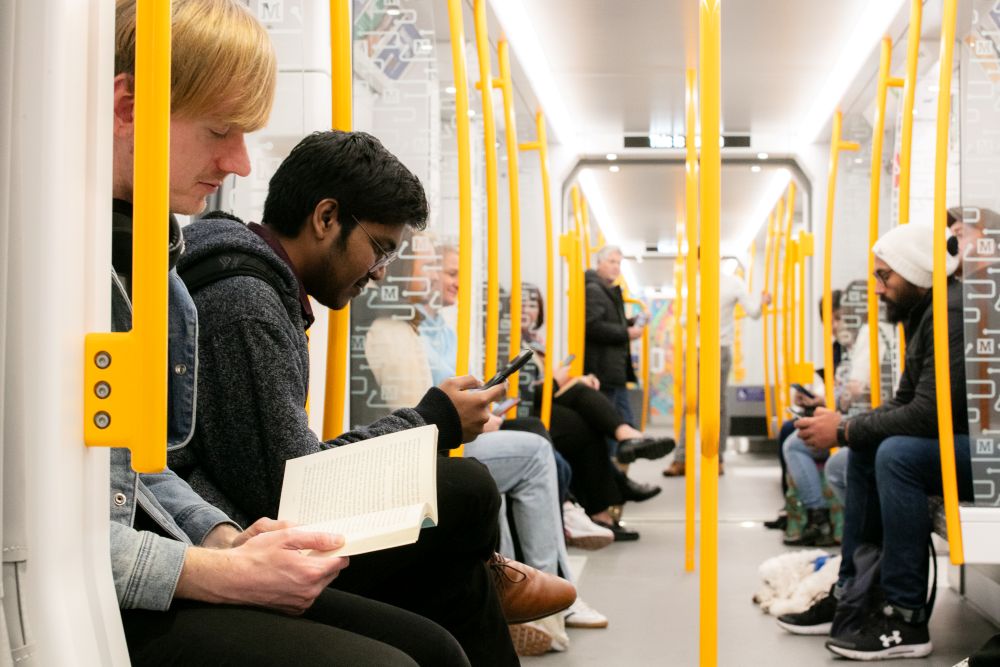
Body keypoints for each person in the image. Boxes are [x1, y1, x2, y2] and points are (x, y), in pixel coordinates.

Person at [109, 2, 469, 665]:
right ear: (127, 106)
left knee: (439, 636)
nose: (241, 163)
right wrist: (217, 565)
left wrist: (217, 538)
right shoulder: (237, 298)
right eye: (222, 129)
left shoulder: (156, 265)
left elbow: (136, 470)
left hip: (179, 541)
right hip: (114, 584)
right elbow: (286, 481)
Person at [173, 130, 574, 666]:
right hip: (241, 538)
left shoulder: (260, 291)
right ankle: (480, 571)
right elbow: (288, 488)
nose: (380, 271)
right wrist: (433, 419)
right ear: (326, 218)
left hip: (247, 515)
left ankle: (477, 572)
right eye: (380, 248)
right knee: (467, 493)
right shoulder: (246, 305)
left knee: (458, 555)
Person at [362, 234, 593, 654]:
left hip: (430, 441)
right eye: (433, 268)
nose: (442, 279)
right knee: (527, 456)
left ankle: (536, 580)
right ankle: (540, 592)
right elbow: (415, 424)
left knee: (527, 447)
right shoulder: (390, 333)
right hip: (415, 451)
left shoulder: (418, 327)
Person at [781, 223, 970, 661]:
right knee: (867, 448)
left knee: (897, 455)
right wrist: (848, 426)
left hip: (984, 453)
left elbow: (928, 413)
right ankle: (855, 594)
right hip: (960, 442)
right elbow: (907, 400)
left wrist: (843, 429)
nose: (880, 288)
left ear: (917, 272)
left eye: (886, 276)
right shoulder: (927, 315)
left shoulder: (952, 315)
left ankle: (906, 616)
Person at [664, 263, 771, 477]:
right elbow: (684, 320)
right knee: (690, 403)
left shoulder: (733, 283)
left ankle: (716, 457)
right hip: (695, 348)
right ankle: (682, 458)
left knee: (718, 405)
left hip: (719, 348)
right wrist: (696, 317)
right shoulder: (694, 284)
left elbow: (753, 312)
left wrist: (763, 302)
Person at [583, 246, 646, 428]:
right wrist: (626, 333)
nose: (616, 267)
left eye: (618, 263)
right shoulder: (594, 290)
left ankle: (623, 452)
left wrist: (631, 322)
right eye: (611, 262)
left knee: (622, 421)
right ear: (599, 263)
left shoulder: (606, 291)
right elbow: (593, 326)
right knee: (614, 423)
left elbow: (608, 322)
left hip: (612, 370)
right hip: (603, 370)